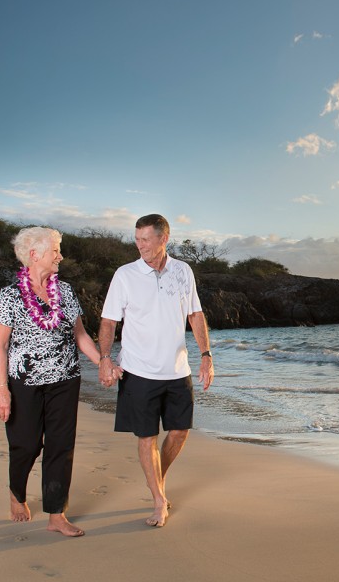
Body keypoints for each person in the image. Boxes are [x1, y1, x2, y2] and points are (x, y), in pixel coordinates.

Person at [98, 213, 214, 528]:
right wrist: (105, 358)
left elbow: (195, 314)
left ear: (163, 239)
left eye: (145, 239)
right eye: (137, 239)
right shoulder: (125, 275)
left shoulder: (183, 271)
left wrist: (206, 354)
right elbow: (109, 321)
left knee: (179, 431)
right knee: (147, 436)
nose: (140, 245)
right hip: (138, 371)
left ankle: (156, 482)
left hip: (177, 370)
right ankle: (158, 499)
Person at [0, 226, 102, 537]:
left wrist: (105, 362)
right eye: (55, 250)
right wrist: (2, 392)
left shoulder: (65, 291)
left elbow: (80, 335)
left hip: (65, 379)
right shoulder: (10, 295)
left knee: (60, 446)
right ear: (34, 255)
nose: (60, 256)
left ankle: (56, 515)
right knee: (25, 444)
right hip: (23, 382)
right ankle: (16, 493)